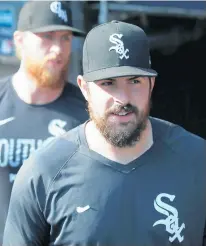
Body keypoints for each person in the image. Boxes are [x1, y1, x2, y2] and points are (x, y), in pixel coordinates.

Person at [3, 20, 206, 246]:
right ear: (84, 88)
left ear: (152, 83)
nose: (123, 98)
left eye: (135, 81)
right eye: (108, 83)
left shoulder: (197, 161)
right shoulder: (44, 172)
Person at [0, 0, 88, 244]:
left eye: (66, 38)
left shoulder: (88, 112)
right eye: (47, 37)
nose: (58, 49)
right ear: (20, 41)